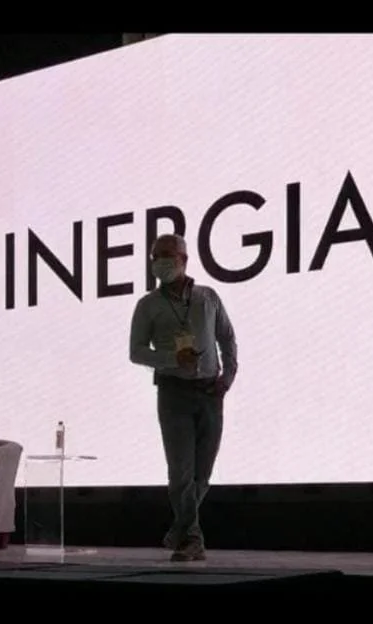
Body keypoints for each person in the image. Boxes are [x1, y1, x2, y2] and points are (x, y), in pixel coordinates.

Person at [129, 234, 238, 562]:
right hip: (173, 392)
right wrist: (171, 359)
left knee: (202, 472)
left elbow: (227, 338)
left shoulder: (208, 297)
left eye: (168, 255)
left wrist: (227, 378)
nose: (161, 262)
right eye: (156, 256)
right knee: (180, 472)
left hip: (209, 392)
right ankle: (192, 538)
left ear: (184, 259)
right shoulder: (148, 305)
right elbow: (136, 351)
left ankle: (180, 528)